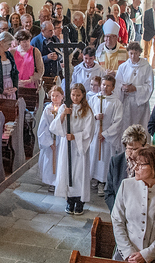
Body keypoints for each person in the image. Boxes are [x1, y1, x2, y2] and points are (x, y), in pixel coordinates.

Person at [111, 146, 155, 263]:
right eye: (135, 164)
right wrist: (128, 252)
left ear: (154, 167)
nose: (135, 168)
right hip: (125, 255)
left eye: (141, 165)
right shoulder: (126, 185)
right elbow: (117, 220)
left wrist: (146, 255)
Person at [51, 83, 93, 215]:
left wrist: (75, 136)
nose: (75, 98)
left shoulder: (87, 110)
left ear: (83, 95)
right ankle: (69, 200)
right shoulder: (64, 107)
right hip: (67, 145)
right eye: (73, 95)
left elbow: (89, 131)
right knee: (67, 171)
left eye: (78, 95)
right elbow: (54, 127)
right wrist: (64, 114)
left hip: (80, 146)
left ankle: (79, 201)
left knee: (79, 174)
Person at [89, 75, 124, 189]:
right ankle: (94, 178)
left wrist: (105, 134)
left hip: (108, 138)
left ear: (113, 87)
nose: (105, 87)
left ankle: (103, 181)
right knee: (94, 157)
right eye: (103, 85)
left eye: (108, 86)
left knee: (105, 159)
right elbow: (87, 115)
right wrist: (95, 116)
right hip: (95, 134)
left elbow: (118, 122)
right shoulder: (94, 99)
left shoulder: (116, 103)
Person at [104, 125, 149, 211]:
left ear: (144, 147)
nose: (132, 153)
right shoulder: (116, 161)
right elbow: (109, 192)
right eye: (129, 149)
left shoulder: (148, 164)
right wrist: (116, 211)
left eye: (136, 149)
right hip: (119, 209)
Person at [115, 42, 153, 127]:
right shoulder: (123, 66)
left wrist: (136, 88)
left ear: (139, 53)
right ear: (128, 52)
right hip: (126, 101)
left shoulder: (146, 67)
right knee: (126, 126)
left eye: (135, 53)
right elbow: (117, 83)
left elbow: (149, 86)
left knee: (139, 125)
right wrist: (122, 87)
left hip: (140, 102)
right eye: (131, 53)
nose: (133, 56)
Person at [38, 86, 65, 187]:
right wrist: (49, 142)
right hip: (49, 139)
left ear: (62, 96)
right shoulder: (48, 109)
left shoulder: (64, 109)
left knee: (60, 160)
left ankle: (60, 181)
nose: (55, 98)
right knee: (50, 161)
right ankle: (51, 182)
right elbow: (43, 127)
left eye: (57, 96)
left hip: (61, 139)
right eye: (53, 96)